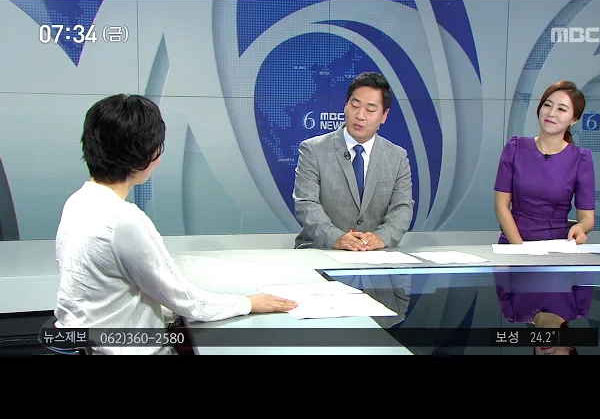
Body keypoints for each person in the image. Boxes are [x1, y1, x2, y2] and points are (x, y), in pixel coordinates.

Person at [54, 94, 297, 355]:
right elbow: (186, 300)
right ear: (146, 156)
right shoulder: (124, 221)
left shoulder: (78, 201)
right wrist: (248, 303)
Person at [292, 72, 414, 251]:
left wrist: (381, 237)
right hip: (322, 248)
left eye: (370, 110)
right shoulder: (313, 150)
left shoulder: (397, 157)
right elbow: (306, 203)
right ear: (346, 106)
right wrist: (335, 237)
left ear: (384, 115)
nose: (360, 115)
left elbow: (402, 208)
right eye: (355, 105)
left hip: (375, 252)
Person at [494, 80, 595, 245]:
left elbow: (587, 218)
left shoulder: (580, 159)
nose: (551, 113)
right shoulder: (515, 147)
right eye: (547, 105)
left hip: (556, 247)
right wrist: (520, 250)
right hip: (513, 245)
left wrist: (581, 227)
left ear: (574, 119)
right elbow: (501, 207)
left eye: (561, 109)